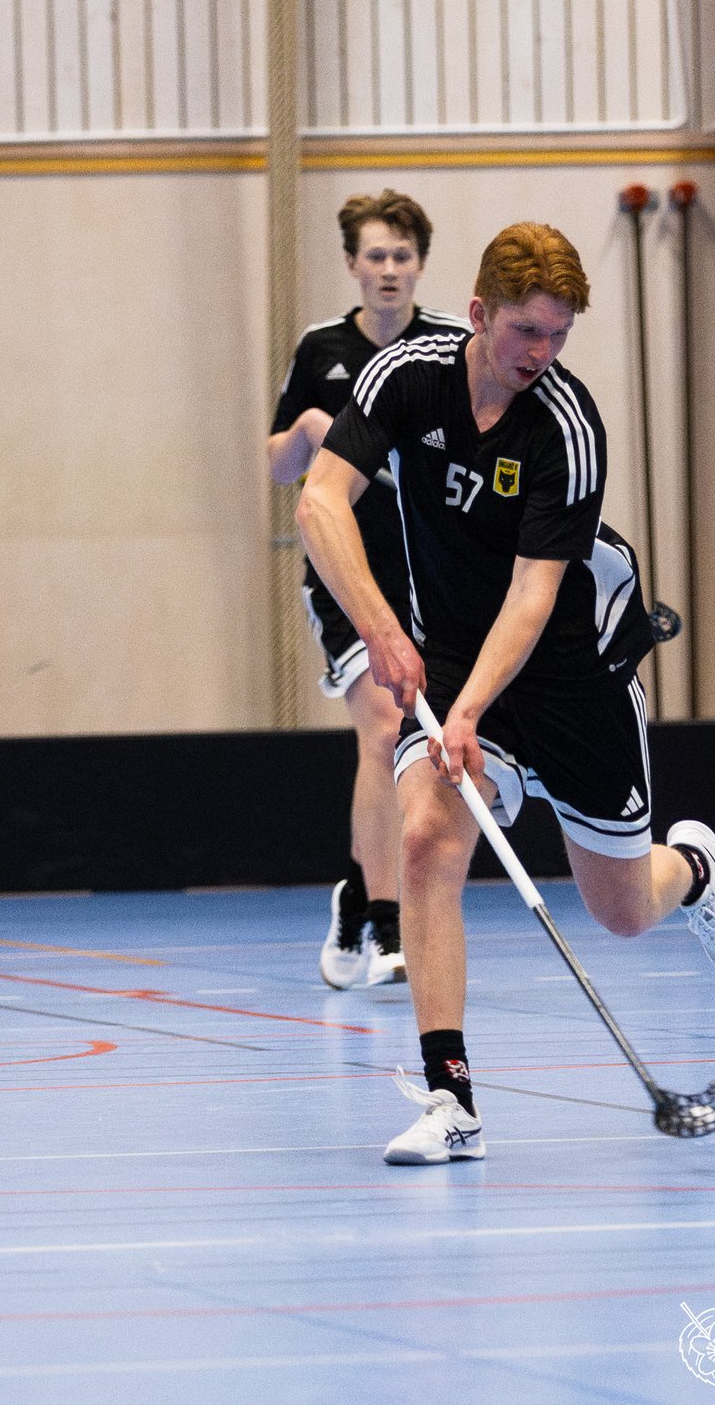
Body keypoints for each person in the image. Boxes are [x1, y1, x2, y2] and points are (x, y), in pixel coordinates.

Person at [299, 221, 715, 1166]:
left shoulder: (567, 427)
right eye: (525, 332)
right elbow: (318, 501)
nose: (540, 353)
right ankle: (451, 1097)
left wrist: (464, 711)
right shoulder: (406, 377)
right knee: (426, 835)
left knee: (624, 911)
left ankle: (699, 872)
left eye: (557, 334)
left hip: (572, 675)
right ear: (478, 314)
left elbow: (535, 593)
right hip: (458, 656)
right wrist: (386, 633)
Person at [268, 189, 467, 991]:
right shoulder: (320, 350)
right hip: (348, 580)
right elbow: (278, 464)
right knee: (384, 727)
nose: (389, 269)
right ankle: (386, 922)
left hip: (434, 582)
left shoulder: (450, 345)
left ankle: (359, 892)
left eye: (402, 255)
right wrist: (312, 430)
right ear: (352, 263)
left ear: (420, 263)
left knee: (420, 742)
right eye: (375, 255)